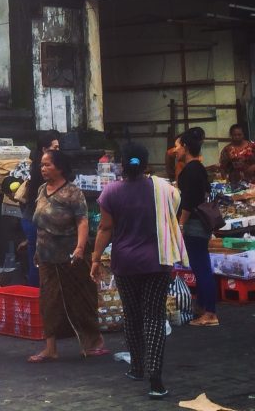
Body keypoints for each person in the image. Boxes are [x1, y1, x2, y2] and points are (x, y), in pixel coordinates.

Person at [91, 142, 185, 400]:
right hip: (157, 262)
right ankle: (156, 380)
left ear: (121, 164)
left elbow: (105, 229)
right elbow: (174, 212)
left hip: (125, 263)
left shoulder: (111, 191)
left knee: (132, 316)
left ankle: (136, 368)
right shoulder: (165, 189)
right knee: (154, 317)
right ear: (146, 165)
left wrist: (95, 259)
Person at [28, 148, 106, 363]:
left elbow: (82, 221)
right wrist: (36, 250)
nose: (43, 169)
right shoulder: (42, 189)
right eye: (42, 165)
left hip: (71, 256)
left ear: (60, 168)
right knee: (48, 300)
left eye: (47, 165)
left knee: (81, 298)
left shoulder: (73, 192)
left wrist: (80, 248)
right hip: (46, 255)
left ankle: (93, 342)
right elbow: (39, 223)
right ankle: (50, 347)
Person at [175, 127, 218, 327]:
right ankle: (202, 307)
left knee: (201, 268)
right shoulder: (198, 168)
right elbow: (203, 193)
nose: (175, 150)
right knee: (201, 266)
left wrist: (181, 224)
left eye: (177, 146)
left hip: (194, 224)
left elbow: (189, 201)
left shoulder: (191, 170)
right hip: (202, 223)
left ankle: (210, 313)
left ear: (185, 146)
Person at [19, 131, 60, 288]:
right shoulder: (43, 171)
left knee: (36, 262)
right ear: (44, 149)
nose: (58, 151)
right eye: (55, 148)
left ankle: (36, 295)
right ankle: (37, 296)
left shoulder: (36, 166)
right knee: (40, 264)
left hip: (31, 219)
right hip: (37, 221)